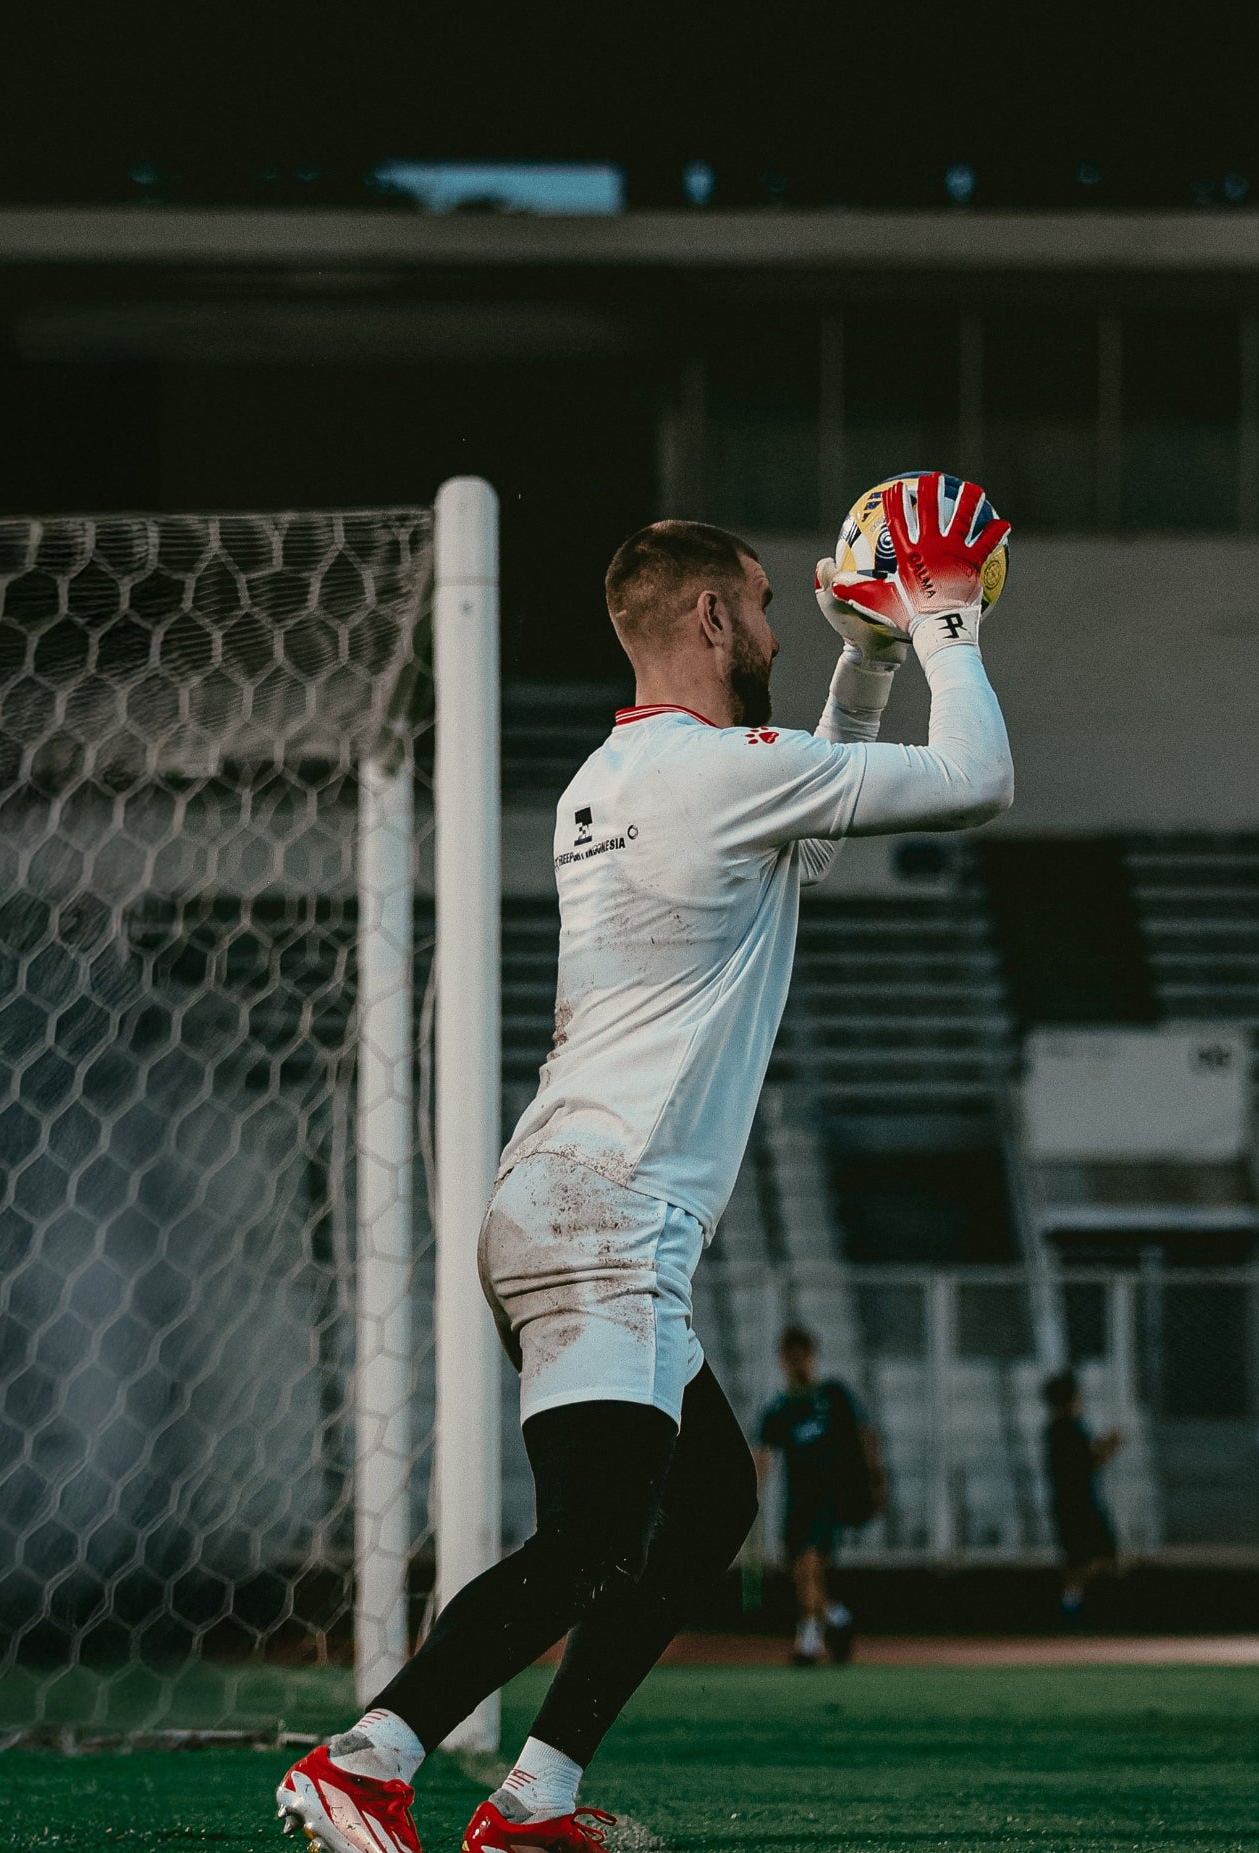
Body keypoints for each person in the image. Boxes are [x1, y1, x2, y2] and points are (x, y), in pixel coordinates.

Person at [276, 480, 1015, 1853]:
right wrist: (945, 619)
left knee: (708, 1504)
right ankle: (364, 1759)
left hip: (577, 1193)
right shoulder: (709, 776)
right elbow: (976, 781)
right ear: (711, 611)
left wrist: (865, 663)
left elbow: (814, 833)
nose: (778, 633)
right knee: (593, 1535)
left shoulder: (627, 775)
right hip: (604, 1212)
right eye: (763, 612)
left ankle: (535, 1797)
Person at [755, 1324, 882, 1664]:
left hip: (828, 1498)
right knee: (800, 1574)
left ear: (812, 1356)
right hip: (796, 1501)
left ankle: (808, 1644)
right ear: (783, 1361)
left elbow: (864, 1433)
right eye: (791, 1358)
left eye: (803, 1357)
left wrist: (873, 1479)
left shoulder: (833, 1395)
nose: (798, 1364)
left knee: (810, 1567)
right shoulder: (780, 1408)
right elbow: (763, 1453)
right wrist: (752, 1498)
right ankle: (839, 1619)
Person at [1039, 1370, 1123, 1629]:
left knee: (1080, 1561)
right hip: (1079, 1502)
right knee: (1093, 1558)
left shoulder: (1055, 1429)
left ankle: (1074, 1607)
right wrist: (1108, 1446)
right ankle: (1074, 1610)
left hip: (1069, 1501)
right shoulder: (1068, 1428)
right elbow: (1087, 1462)